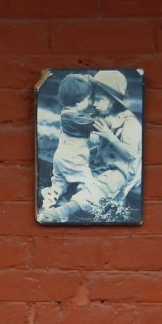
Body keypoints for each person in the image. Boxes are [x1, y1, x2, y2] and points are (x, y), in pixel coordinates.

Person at [38, 68, 143, 224]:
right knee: (81, 174)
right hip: (102, 163)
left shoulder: (130, 124)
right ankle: (67, 200)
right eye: (93, 99)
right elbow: (102, 148)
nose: (94, 103)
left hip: (121, 170)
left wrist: (110, 136)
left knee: (104, 184)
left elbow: (130, 155)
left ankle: (63, 211)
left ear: (112, 100)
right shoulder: (106, 116)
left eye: (99, 99)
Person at [39, 73, 98, 217]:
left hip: (62, 157)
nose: (90, 102)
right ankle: (81, 205)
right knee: (88, 184)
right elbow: (93, 123)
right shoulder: (73, 116)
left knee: (59, 183)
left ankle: (47, 204)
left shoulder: (67, 112)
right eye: (88, 98)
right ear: (78, 101)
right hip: (73, 159)